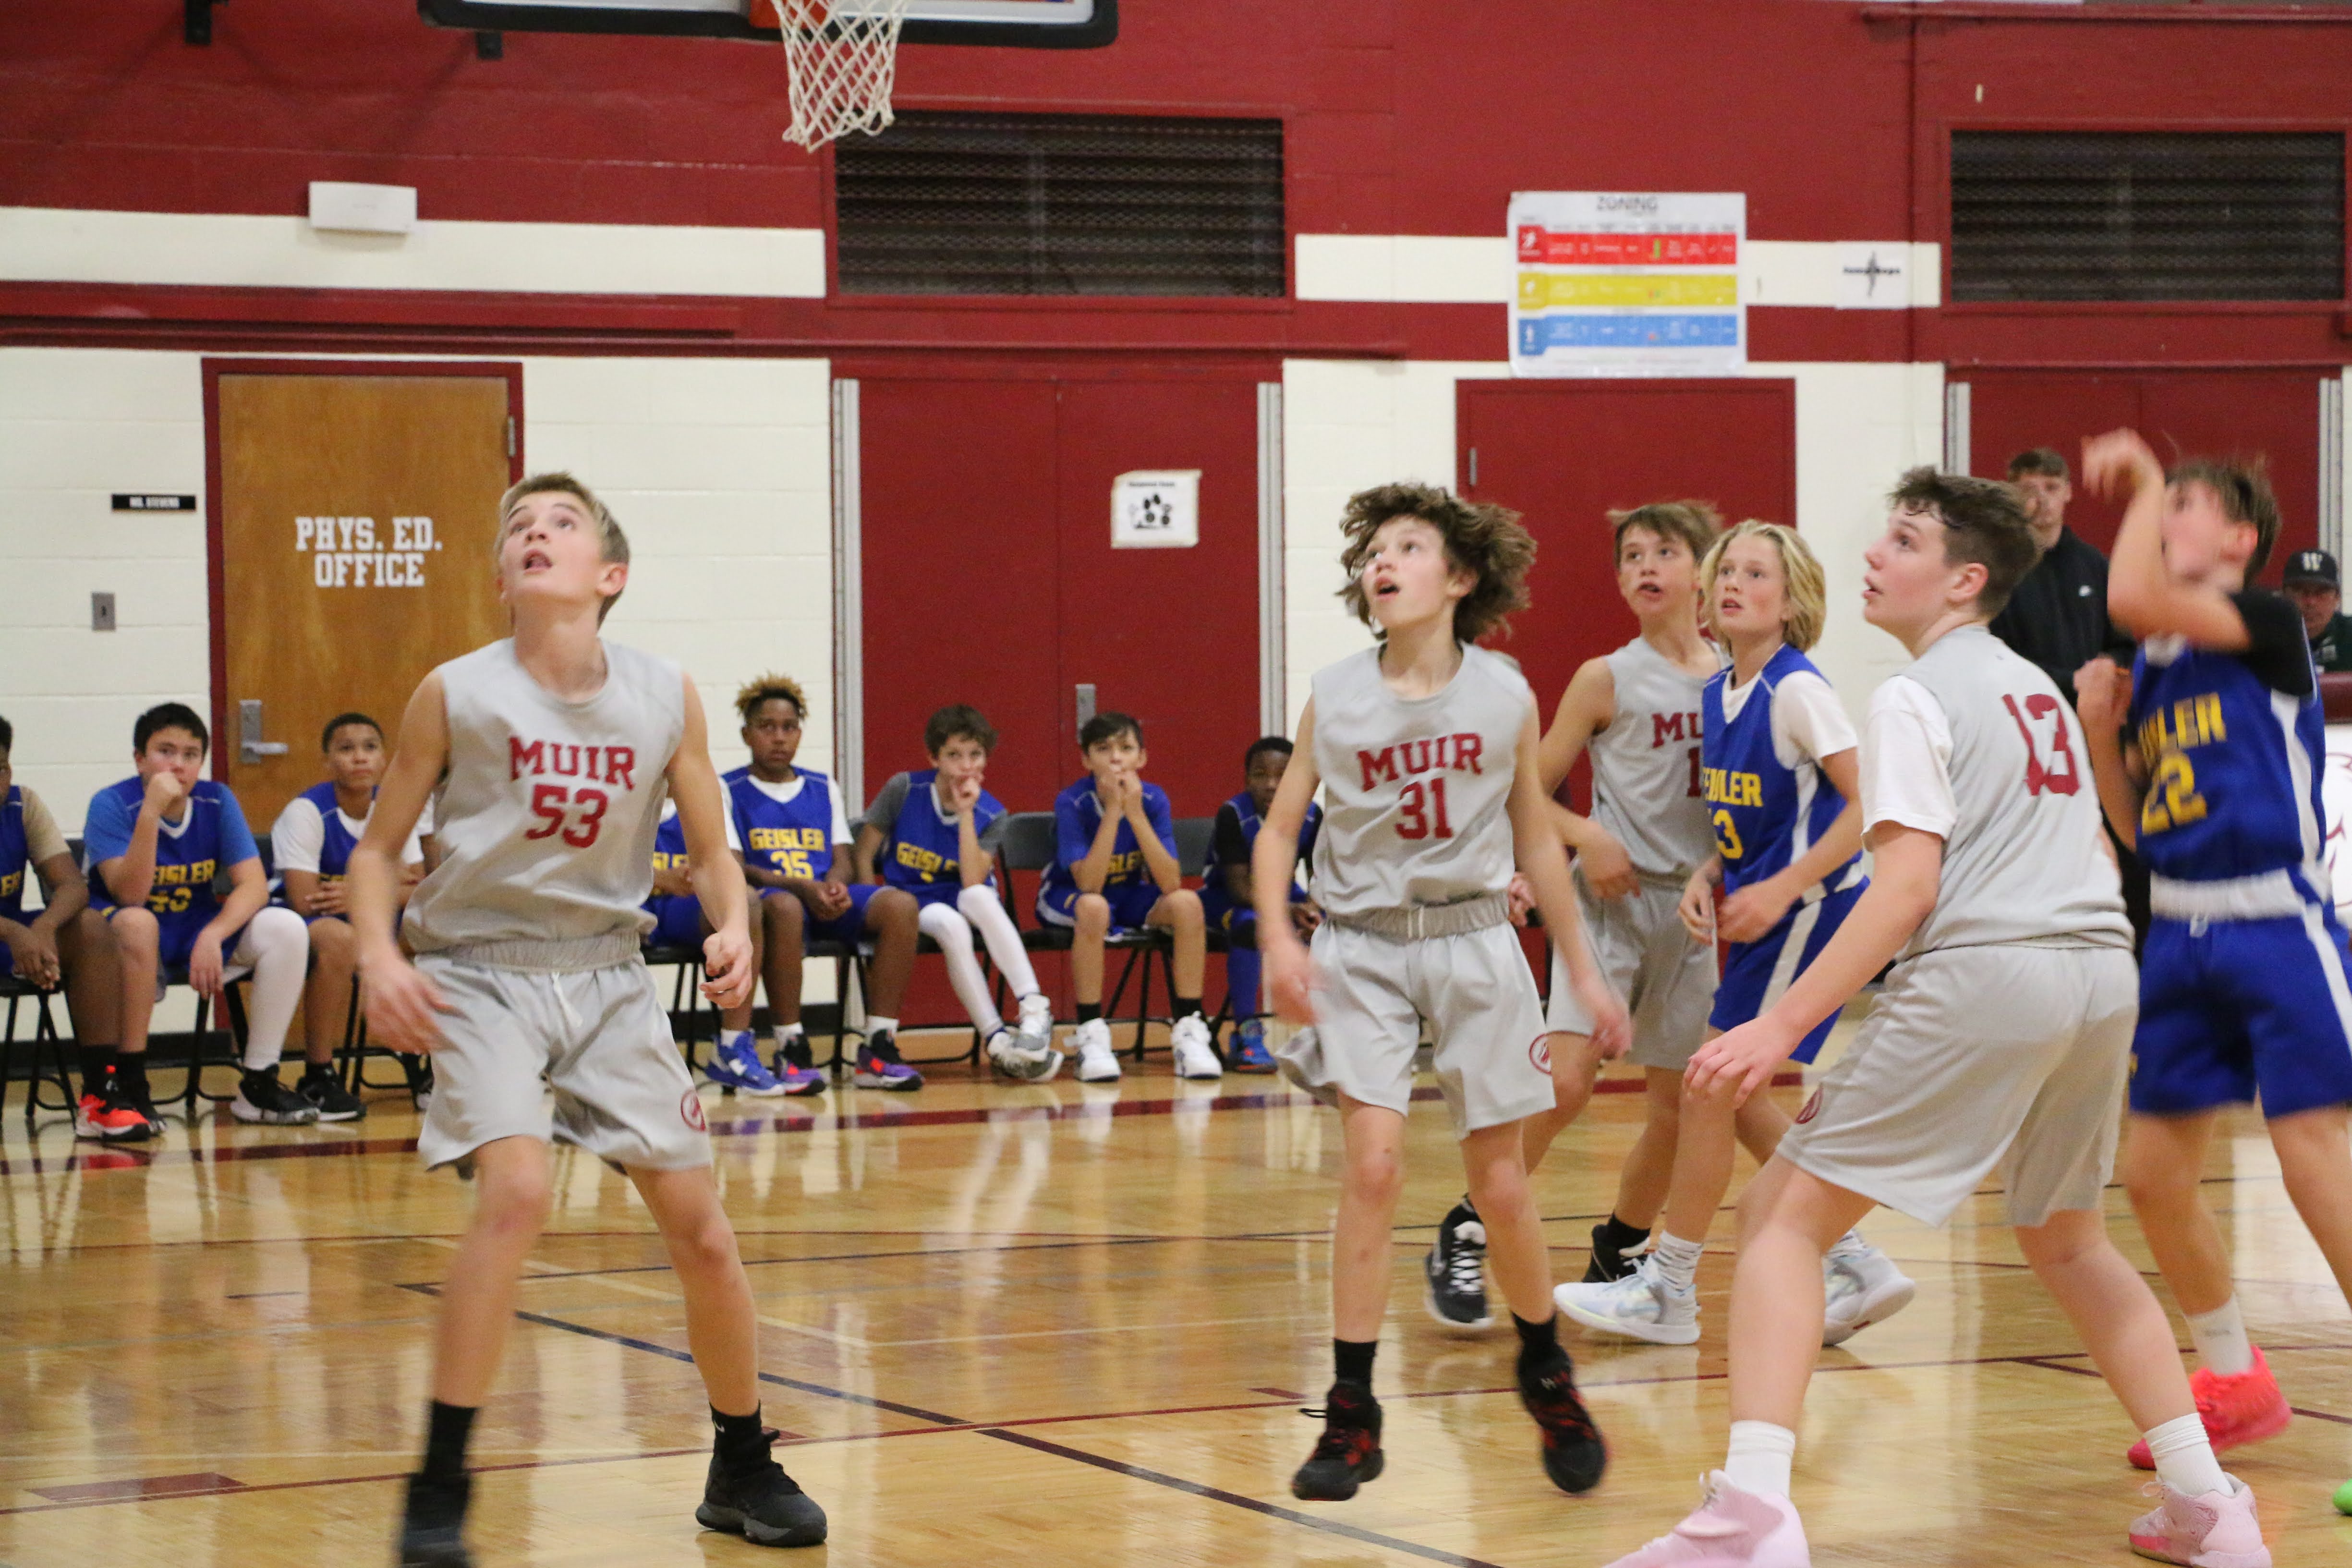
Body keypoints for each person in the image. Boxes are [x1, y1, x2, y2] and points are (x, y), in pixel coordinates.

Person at [1602, 467, 2267, 1568]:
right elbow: (2098, 847)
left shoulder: (1910, 696)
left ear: (1962, 578)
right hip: (2101, 971)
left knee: (1779, 1220)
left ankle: (1751, 1517)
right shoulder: (2034, 687)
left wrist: (1779, 1026)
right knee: (2065, 1233)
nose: (1873, 555)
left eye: (1901, 541)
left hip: (1994, 969)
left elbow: (1903, 889)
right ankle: (2206, 1502)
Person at [348, 473, 825, 1567]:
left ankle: (741, 1458)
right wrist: (378, 953)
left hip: (608, 975)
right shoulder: (452, 694)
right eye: (515, 523)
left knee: (702, 1233)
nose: (532, 531)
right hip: (478, 967)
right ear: (501, 574)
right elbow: (376, 855)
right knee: (515, 1192)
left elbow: (713, 850)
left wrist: (735, 925)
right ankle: (438, 1482)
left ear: (607, 576)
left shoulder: (665, 694)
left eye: (559, 522)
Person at [1257, 481, 1625, 1504]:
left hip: (1471, 940)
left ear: (1458, 577)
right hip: (1363, 945)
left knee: (1501, 1183)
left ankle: (1545, 1369)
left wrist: (1583, 971)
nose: (1383, 561)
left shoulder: (1504, 692)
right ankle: (1352, 1411)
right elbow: (1282, 828)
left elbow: (1532, 832)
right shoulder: (1334, 692)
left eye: (1408, 546)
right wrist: (1282, 936)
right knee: (1371, 1169)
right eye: (1373, 549)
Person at [2077, 432, 2352, 1503]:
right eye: (2164, 502)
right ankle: (2234, 1372)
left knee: (2313, 1162)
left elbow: (2134, 589)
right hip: (2180, 932)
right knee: (2150, 1178)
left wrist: (2145, 477)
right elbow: (2139, 831)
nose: (2161, 517)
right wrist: (2104, 732)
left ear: (2237, 540)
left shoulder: (2269, 623)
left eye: (2185, 506)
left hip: (2275, 923)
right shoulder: (2154, 664)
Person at [1556, 522, 1910, 1349]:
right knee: (1733, 1092)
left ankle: (1670, 1285)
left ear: (1791, 603)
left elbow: (1865, 804)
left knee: (1707, 1085)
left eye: (1756, 575)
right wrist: (1706, 875)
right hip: (1760, 914)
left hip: (1812, 914)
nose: (1731, 585)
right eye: (1725, 572)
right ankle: (1853, 1257)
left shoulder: (1797, 690)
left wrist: (1783, 884)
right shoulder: (1721, 690)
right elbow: (1749, 814)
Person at [1424, 501, 1725, 1329]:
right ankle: (1465, 1225)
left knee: (1681, 1106)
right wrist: (1584, 836)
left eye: (1664, 551)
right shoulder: (1606, 676)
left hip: (1695, 912)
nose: (1645, 566)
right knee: (1563, 1084)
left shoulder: (1739, 676)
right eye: (1630, 555)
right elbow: (1523, 792)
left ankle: (1621, 1246)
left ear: (1702, 569)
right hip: (1610, 906)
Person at [84, 702, 316, 1133]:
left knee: (285, 927)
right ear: (140, 759)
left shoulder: (217, 799)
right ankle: (131, 1082)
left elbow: (254, 885)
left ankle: (259, 1082)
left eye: (191, 754)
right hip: (124, 929)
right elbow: (131, 894)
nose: (178, 763)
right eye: (165, 751)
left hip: (192, 925)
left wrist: (214, 934)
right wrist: (151, 811)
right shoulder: (111, 803)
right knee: (140, 921)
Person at [724, 673, 922, 1094]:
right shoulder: (728, 788)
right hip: (778, 900)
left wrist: (834, 885)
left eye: (789, 727)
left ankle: (878, 1046)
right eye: (767, 727)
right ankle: (790, 1045)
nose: (779, 737)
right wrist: (802, 888)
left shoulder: (821, 785)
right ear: (747, 734)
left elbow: (842, 857)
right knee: (784, 908)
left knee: (901, 905)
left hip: (820, 898)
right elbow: (735, 866)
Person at [853, 705, 1058, 1086]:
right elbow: (864, 851)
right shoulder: (905, 788)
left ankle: (1034, 1008)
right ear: (934, 757)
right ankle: (996, 1038)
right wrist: (869, 904)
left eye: (975, 754)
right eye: (954, 755)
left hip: (964, 894)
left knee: (978, 897)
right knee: (951, 925)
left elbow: (970, 878)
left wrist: (966, 812)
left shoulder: (992, 813)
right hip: (912, 901)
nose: (965, 765)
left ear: (986, 758)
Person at [269, 710, 435, 1121]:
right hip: (307, 928)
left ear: (384, 760)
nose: (359, 757)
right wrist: (379, 888)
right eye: (346, 749)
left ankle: (434, 1067)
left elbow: (419, 886)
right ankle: (318, 1074)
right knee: (339, 940)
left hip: (371, 925)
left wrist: (358, 892)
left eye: (370, 748)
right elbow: (307, 899)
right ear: (328, 761)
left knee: (447, 931)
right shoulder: (306, 812)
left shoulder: (391, 808)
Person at [1039, 711, 1216, 1082]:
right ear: (1087, 760)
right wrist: (1114, 811)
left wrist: (1134, 813)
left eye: (1126, 748)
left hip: (1130, 894)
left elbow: (1170, 882)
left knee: (1188, 904)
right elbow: (1088, 883)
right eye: (1104, 749)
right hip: (1069, 895)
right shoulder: (1072, 801)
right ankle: (1092, 1033)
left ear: (1142, 758)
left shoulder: (1153, 799)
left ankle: (1190, 1029)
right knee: (1093, 906)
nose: (1116, 758)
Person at [0, 714, 124, 1132]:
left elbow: (72, 884)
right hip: (9, 935)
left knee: (92, 927)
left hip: (15, 939)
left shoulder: (24, 804)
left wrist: (45, 927)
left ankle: (99, 1094)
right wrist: (13, 930)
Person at [643, 797, 798, 1096]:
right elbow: (588, 868)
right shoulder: (614, 789)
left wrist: (702, 876)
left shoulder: (702, 790)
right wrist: (661, 877)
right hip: (624, 901)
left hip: (682, 905)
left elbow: (729, 863)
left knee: (746, 902)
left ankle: (732, 1045)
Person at [1198, 735, 1321, 1074]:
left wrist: (1313, 906)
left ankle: (1330, 1031)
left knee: (1331, 925)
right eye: (1260, 774)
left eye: (1281, 775)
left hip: (1286, 896)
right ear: (1246, 778)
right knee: (1249, 925)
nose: (1270, 784)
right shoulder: (1233, 814)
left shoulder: (1312, 814)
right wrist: (1288, 911)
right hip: (1222, 897)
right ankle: (1246, 1034)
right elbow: (1240, 889)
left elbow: (1320, 875)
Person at [1987, 446, 2131, 696]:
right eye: (2029, 490)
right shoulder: (2000, 568)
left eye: (2051, 487)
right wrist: (2070, 681)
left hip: (2089, 714)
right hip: (2023, 713)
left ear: (2068, 492)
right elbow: (1994, 654)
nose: (2042, 499)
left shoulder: (2094, 564)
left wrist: (2105, 671)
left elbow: (2124, 645)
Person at [2280, 548, 2352, 673]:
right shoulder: (2262, 639)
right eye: (2300, 591)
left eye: (2322, 592)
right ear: (2284, 596)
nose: (2311, 602)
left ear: (2337, 598)